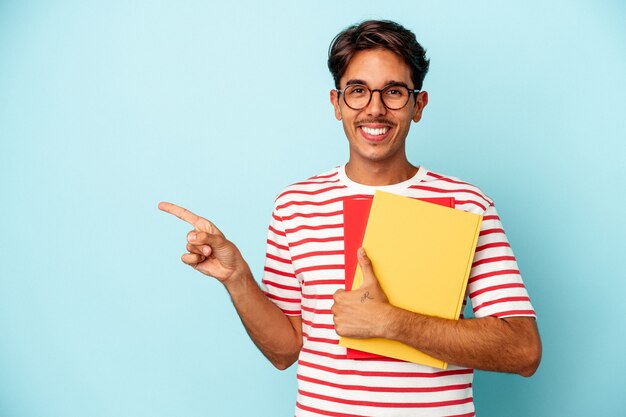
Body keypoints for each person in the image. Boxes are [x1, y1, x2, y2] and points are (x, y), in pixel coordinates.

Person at [159, 20, 541, 417]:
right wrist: (237, 278)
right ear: (337, 103)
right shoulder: (295, 205)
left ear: (418, 104)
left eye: (393, 92)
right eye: (357, 91)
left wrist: (392, 323)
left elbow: (524, 350)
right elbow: (284, 351)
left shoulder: (467, 203)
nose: (374, 108)